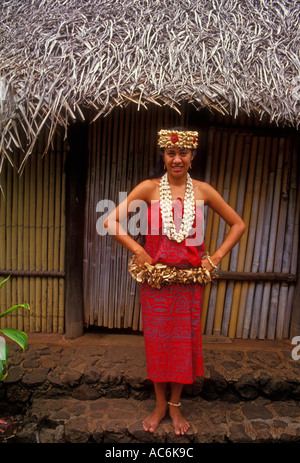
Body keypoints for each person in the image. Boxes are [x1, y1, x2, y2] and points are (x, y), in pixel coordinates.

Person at [104, 127, 245, 436]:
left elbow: (238, 224)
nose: (177, 159)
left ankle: (175, 405)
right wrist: (139, 249)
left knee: (183, 343)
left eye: (183, 153)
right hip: (156, 282)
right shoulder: (149, 188)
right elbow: (109, 221)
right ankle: (159, 405)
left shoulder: (204, 192)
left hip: (189, 282)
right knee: (158, 343)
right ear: (163, 156)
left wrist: (216, 257)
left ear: (192, 156)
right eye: (171, 153)